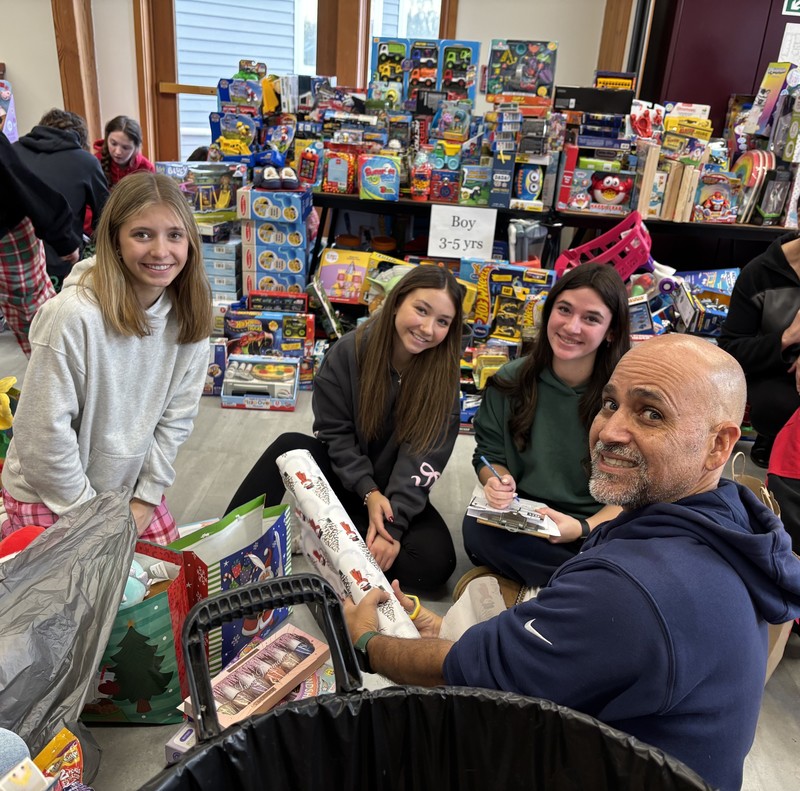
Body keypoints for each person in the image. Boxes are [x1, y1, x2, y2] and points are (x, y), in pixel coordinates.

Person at [345, 335, 800, 791]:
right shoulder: (729, 521)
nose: (610, 431)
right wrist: (439, 627)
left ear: (718, 445)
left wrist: (368, 642)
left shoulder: (632, 590)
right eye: (610, 404)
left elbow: (461, 674)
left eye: (651, 413)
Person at [0, 172, 212, 543]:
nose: (161, 251)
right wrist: (95, 519)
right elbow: (42, 440)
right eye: (142, 234)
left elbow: (175, 421)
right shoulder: (70, 316)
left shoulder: (189, 314)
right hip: (52, 491)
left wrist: (147, 496)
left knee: (170, 572)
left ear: (190, 242)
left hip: (125, 487)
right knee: (79, 580)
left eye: (175, 235)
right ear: (114, 241)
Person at [227, 265, 464, 591]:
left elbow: (424, 460)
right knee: (288, 447)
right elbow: (334, 433)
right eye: (421, 310)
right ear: (397, 302)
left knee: (434, 565)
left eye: (442, 322)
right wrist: (367, 491)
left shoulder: (444, 379)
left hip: (394, 495)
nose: (428, 328)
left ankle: (326, 535)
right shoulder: (349, 351)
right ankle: (229, 543)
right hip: (342, 479)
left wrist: (393, 526)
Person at [461, 263, 630, 589]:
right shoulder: (509, 381)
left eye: (591, 318)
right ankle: (589, 586)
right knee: (477, 532)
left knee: (637, 546)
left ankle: (577, 583)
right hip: (530, 518)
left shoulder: (624, 397)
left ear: (611, 331)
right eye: (564, 310)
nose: (571, 326)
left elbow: (635, 491)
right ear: (548, 311)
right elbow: (488, 455)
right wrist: (497, 481)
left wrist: (582, 528)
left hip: (599, 525)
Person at [718, 232, 800, 467]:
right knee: (774, 407)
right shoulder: (758, 273)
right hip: (776, 372)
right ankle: (774, 438)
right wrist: (785, 339)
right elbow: (730, 349)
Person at [0, 131, 80, 356]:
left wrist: (62, 237)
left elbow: (17, 181)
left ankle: (55, 366)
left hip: (8, 231)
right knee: (32, 314)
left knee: (33, 316)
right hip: (10, 232)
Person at [14, 108, 109, 284]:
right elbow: (105, 216)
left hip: (15, 262)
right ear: (80, 137)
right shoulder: (86, 162)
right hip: (64, 260)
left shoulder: (12, 152)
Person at [93, 115, 154, 188]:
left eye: (125, 148)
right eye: (113, 144)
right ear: (107, 139)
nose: (118, 152)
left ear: (136, 148)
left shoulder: (146, 168)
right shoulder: (95, 162)